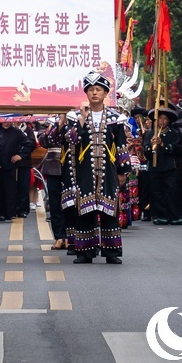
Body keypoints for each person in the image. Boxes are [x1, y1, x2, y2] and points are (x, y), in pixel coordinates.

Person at [64, 71, 131, 264]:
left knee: (109, 210)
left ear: (105, 93)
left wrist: (122, 171)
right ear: (86, 93)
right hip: (84, 171)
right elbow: (70, 141)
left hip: (108, 171)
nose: (94, 93)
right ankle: (85, 252)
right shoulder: (75, 116)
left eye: (98, 89)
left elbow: (121, 145)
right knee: (84, 210)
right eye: (91, 89)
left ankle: (111, 252)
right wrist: (82, 120)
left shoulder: (115, 118)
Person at [142, 106, 182, 225]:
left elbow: (179, 149)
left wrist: (163, 145)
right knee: (157, 193)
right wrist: (150, 147)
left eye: (165, 119)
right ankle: (160, 216)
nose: (162, 121)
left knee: (172, 192)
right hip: (154, 168)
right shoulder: (149, 134)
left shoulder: (174, 134)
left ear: (168, 121)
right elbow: (145, 151)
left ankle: (175, 216)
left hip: (169, 167)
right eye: (160, 118)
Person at [39, 116, 67, 249]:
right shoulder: (49, 121)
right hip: (53, 168)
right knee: (55, 204)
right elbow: (43, 141)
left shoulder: (76, 118)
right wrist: (58, 125)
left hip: (71, 166)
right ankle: (58, 236)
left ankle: (70, 236)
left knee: (70, 203)